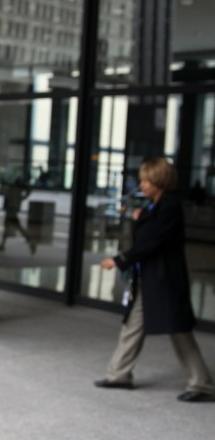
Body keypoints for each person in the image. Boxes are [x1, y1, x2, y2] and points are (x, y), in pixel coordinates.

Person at [95, 157, 214, 402]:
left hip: (164, 280)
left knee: (179, 331)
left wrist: (118, 260)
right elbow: (149, 229)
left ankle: (202, 384)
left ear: (158, 181)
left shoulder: (169, 206)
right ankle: (119, 374)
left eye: (145, 180)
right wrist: (136, 214)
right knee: (133, 326)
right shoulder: (155, 205)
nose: (142, 184)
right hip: (148, 279)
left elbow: (151, 242)